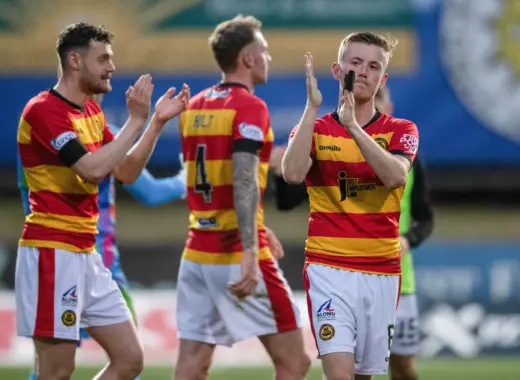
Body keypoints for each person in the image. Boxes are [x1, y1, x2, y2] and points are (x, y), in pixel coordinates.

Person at [15, 22, 189, 380]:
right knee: (55, 372)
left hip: (86, 254)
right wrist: (135, 120)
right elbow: (92, 170)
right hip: (52, 252)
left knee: (130, 359)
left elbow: (125, 172)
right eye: (104, 58)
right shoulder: (44, 111)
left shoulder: (91, 114)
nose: (111, 66)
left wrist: (154, 122)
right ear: (75, 61)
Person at [173, 15, 310, 380]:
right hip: (235, 251)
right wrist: (251, 247)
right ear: (247, 59)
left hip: (196, 252)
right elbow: (242, 180)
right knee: (295, 363)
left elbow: (205, 179)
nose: (268, 57)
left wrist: (260, 228)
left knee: (193, 364)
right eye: (263, 50)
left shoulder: (195, 106)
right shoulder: (250, 107)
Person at [282, 32, 420, 380]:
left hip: (382, 272)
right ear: (337, 70)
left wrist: (354, 128)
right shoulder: (313, 127)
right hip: (329, 269)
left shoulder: (402, 130)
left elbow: (394, 177)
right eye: (355, 63)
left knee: (363, 376)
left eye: (374, 66)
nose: (363, 72)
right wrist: (312, 108)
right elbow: (293, 174)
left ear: (382, 79)